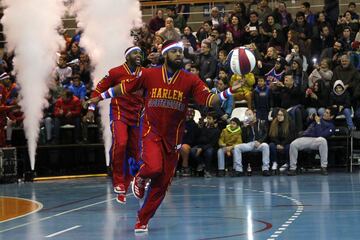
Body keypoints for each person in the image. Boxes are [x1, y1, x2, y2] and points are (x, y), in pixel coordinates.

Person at [86, 40, 242, 233]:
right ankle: (141, 177)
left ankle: (142, 219)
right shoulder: (149, 74)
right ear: (165, 55)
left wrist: (230, 91)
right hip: (151, 131)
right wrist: (99, 97)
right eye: (174, 51)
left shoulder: (190, 80)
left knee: (162, 185)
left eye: (180, 52)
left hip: (174, 139)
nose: (179, 54)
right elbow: (124, 88)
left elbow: (210, 99)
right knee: (153, 167)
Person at [84, 46, 144, 204]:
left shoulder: (145, 73)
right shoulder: (115, 72)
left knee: (135, 151)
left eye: (140, 52)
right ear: (127, 57)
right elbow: (98, 90)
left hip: (137, 115)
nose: (139, 55)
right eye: (134, 53)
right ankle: (117, 180)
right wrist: (91, 109)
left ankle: (125, 185)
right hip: (119, 113)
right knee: (121, 142)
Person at [288, 107, 336, 176]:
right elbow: (307, 124)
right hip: (305, 137)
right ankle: (293, 169)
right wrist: (310, 119)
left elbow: (320, 135)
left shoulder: (331, 126)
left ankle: (324, 167)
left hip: (316, 141)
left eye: (327, 113)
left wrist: (318, 122)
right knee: (293, 144)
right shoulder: (319, 118)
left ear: (331, 117)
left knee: (323, 141)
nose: (324, 113)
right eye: (325, 112)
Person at [233, 109, 271, 176]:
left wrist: (259, 141)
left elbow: (265, 134)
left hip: (259, 144)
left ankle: (265, 169)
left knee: (265, 146)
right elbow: (244, 139)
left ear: (254, 114)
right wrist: (244, 128)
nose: (248, 116)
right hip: (249, 144)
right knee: (237, 147)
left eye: (250, 114)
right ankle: (239, 170)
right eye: (247, 115)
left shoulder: (261, 122)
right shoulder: (245, 125)